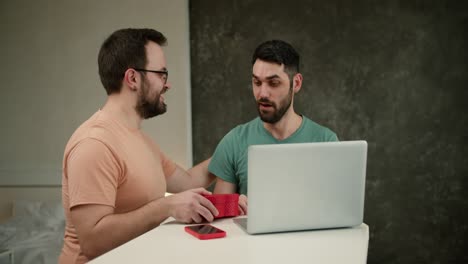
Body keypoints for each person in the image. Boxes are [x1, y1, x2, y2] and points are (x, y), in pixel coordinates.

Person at [59, 28, 218, 263]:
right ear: (132, 78)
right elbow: (92, 241)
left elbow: (188, 182)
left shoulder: (140, 140)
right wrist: (165, 207)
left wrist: (235, 147)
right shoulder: (94, 144)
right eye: (161, 74)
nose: (167, 84)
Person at [208, 40, 338, 214]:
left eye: (273, 83)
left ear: (296, 83)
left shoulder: (326, 142)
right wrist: (232, 207)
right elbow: (220, 222)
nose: (262, 93)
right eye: (257, 82)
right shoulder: (234, 142)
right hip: (250, 241)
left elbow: (335, 213)